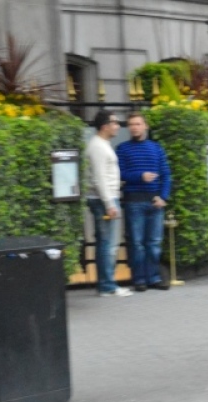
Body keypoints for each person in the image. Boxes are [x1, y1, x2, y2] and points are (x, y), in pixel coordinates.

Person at [116, 113, 172, 292]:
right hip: (133, 201)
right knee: (137, 244)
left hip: (154, 200)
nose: (134, 127)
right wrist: (140, 176)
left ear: (145, 126)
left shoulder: (156, 149)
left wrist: (163, 197)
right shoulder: (122, 149)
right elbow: (120, 174)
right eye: (131, 124)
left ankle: (153, 277)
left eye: (138, 124)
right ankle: (139, 279)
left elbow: (166, 175)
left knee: (154, 243)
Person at [84, 111, 131, 297]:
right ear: (105, 126)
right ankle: (107, 285)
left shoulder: (101, 145)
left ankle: (106, 284)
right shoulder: (98, 147)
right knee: (108, 244)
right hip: (105, 200)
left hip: (106, 198)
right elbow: (99, 178)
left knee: (107, 243)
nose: (118, 126)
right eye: (115, 123)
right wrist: (109, 203)